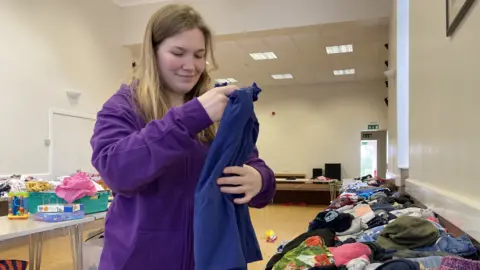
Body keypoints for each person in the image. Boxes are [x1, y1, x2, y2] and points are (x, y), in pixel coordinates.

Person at [90, 4, 276, 270]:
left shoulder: (222, 109)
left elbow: (255, 169)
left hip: (211, 260)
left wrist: (260, 180)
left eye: (199, 55)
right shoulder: (124, 106)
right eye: (178, 53)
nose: (191, 66)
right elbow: (116, 170)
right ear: (153, 52)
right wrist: (191, 117)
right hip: (138, 261)